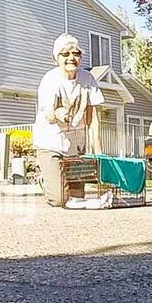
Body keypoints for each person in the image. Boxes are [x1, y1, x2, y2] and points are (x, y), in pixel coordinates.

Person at [33, 34, 112, 208]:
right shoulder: (50, 80)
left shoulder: (87, 79)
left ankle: (60, 180)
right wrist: (58, 113)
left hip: (76, 146)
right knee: (60, 200)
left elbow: (92, 117)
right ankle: (46, 180)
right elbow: (48, 115)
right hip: (50, 142)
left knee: (76, 197)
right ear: (57, 58)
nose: (71, 58)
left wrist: (98, 150)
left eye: (75, 54)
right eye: (65, 54)